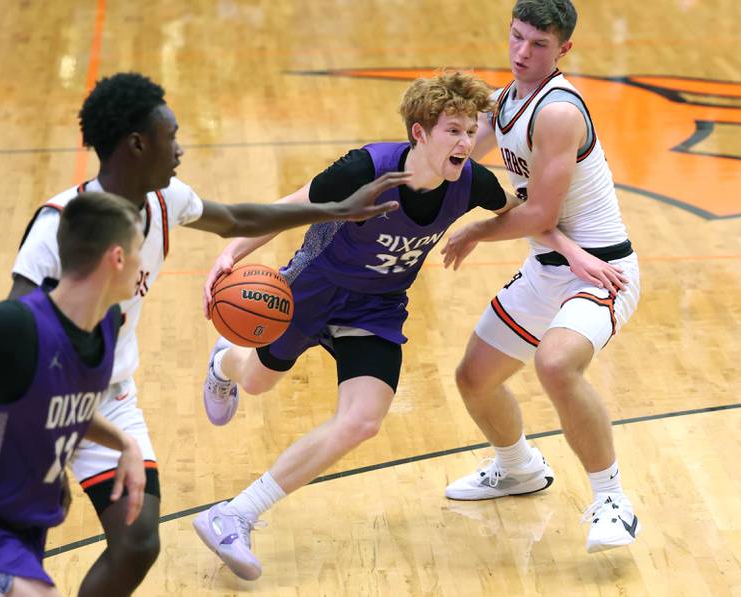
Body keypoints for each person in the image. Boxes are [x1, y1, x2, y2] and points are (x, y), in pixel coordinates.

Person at [193, 71, 621, 580]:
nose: (466, 142)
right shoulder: (365, 168)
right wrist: (230, 253)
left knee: (363, 421)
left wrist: (575, 255)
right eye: (453, 131)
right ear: (419, 134)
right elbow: (286, 208)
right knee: (257, 381)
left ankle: (235, 514)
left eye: (469, 131)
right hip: (312, 294)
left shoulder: (470, 181)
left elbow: (527, 214)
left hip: (376, 309)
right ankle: (226, 359)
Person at [8, 72, 402, 597]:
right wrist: (47, 441)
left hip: (111, 395)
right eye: (171, 136)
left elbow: (236, 217)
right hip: (42, 400)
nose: (181, 148)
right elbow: (15, 345)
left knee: (139, 543)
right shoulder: (59, 225)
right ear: (136, 144)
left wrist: (333, 211)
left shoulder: (165, 199)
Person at [440, 0, 642, 553]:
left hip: (601, 272)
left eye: (539, 45)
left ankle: (611, 500)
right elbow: (452, 156)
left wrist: (473, 231)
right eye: (517, 38)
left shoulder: (557, 111)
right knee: (474, 378)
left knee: (556, 363)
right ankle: (518, 467)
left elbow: (540, 216)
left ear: (564, 51)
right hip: (548, 265)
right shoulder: (504, 101)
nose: (523, 53)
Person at [0, 192, 147, 597]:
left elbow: (64, 408)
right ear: (117, 258)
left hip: (27, 524)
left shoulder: (107, 328)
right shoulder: (16, 328)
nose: (142, 265)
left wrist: (124, 443)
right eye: (138, 252)